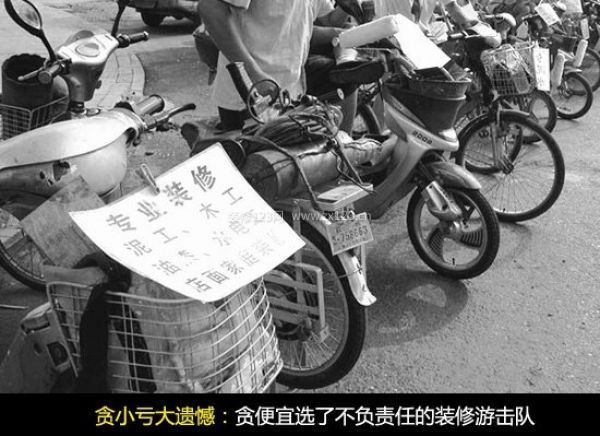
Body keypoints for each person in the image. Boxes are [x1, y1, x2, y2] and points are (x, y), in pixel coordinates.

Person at [197, 0, 361, 132]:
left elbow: (327, 20)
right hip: (251, 95)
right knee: (264, 161)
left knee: (346, 76)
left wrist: (348, 7)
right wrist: (254, 73)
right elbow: (211, 8)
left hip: (291, 92)